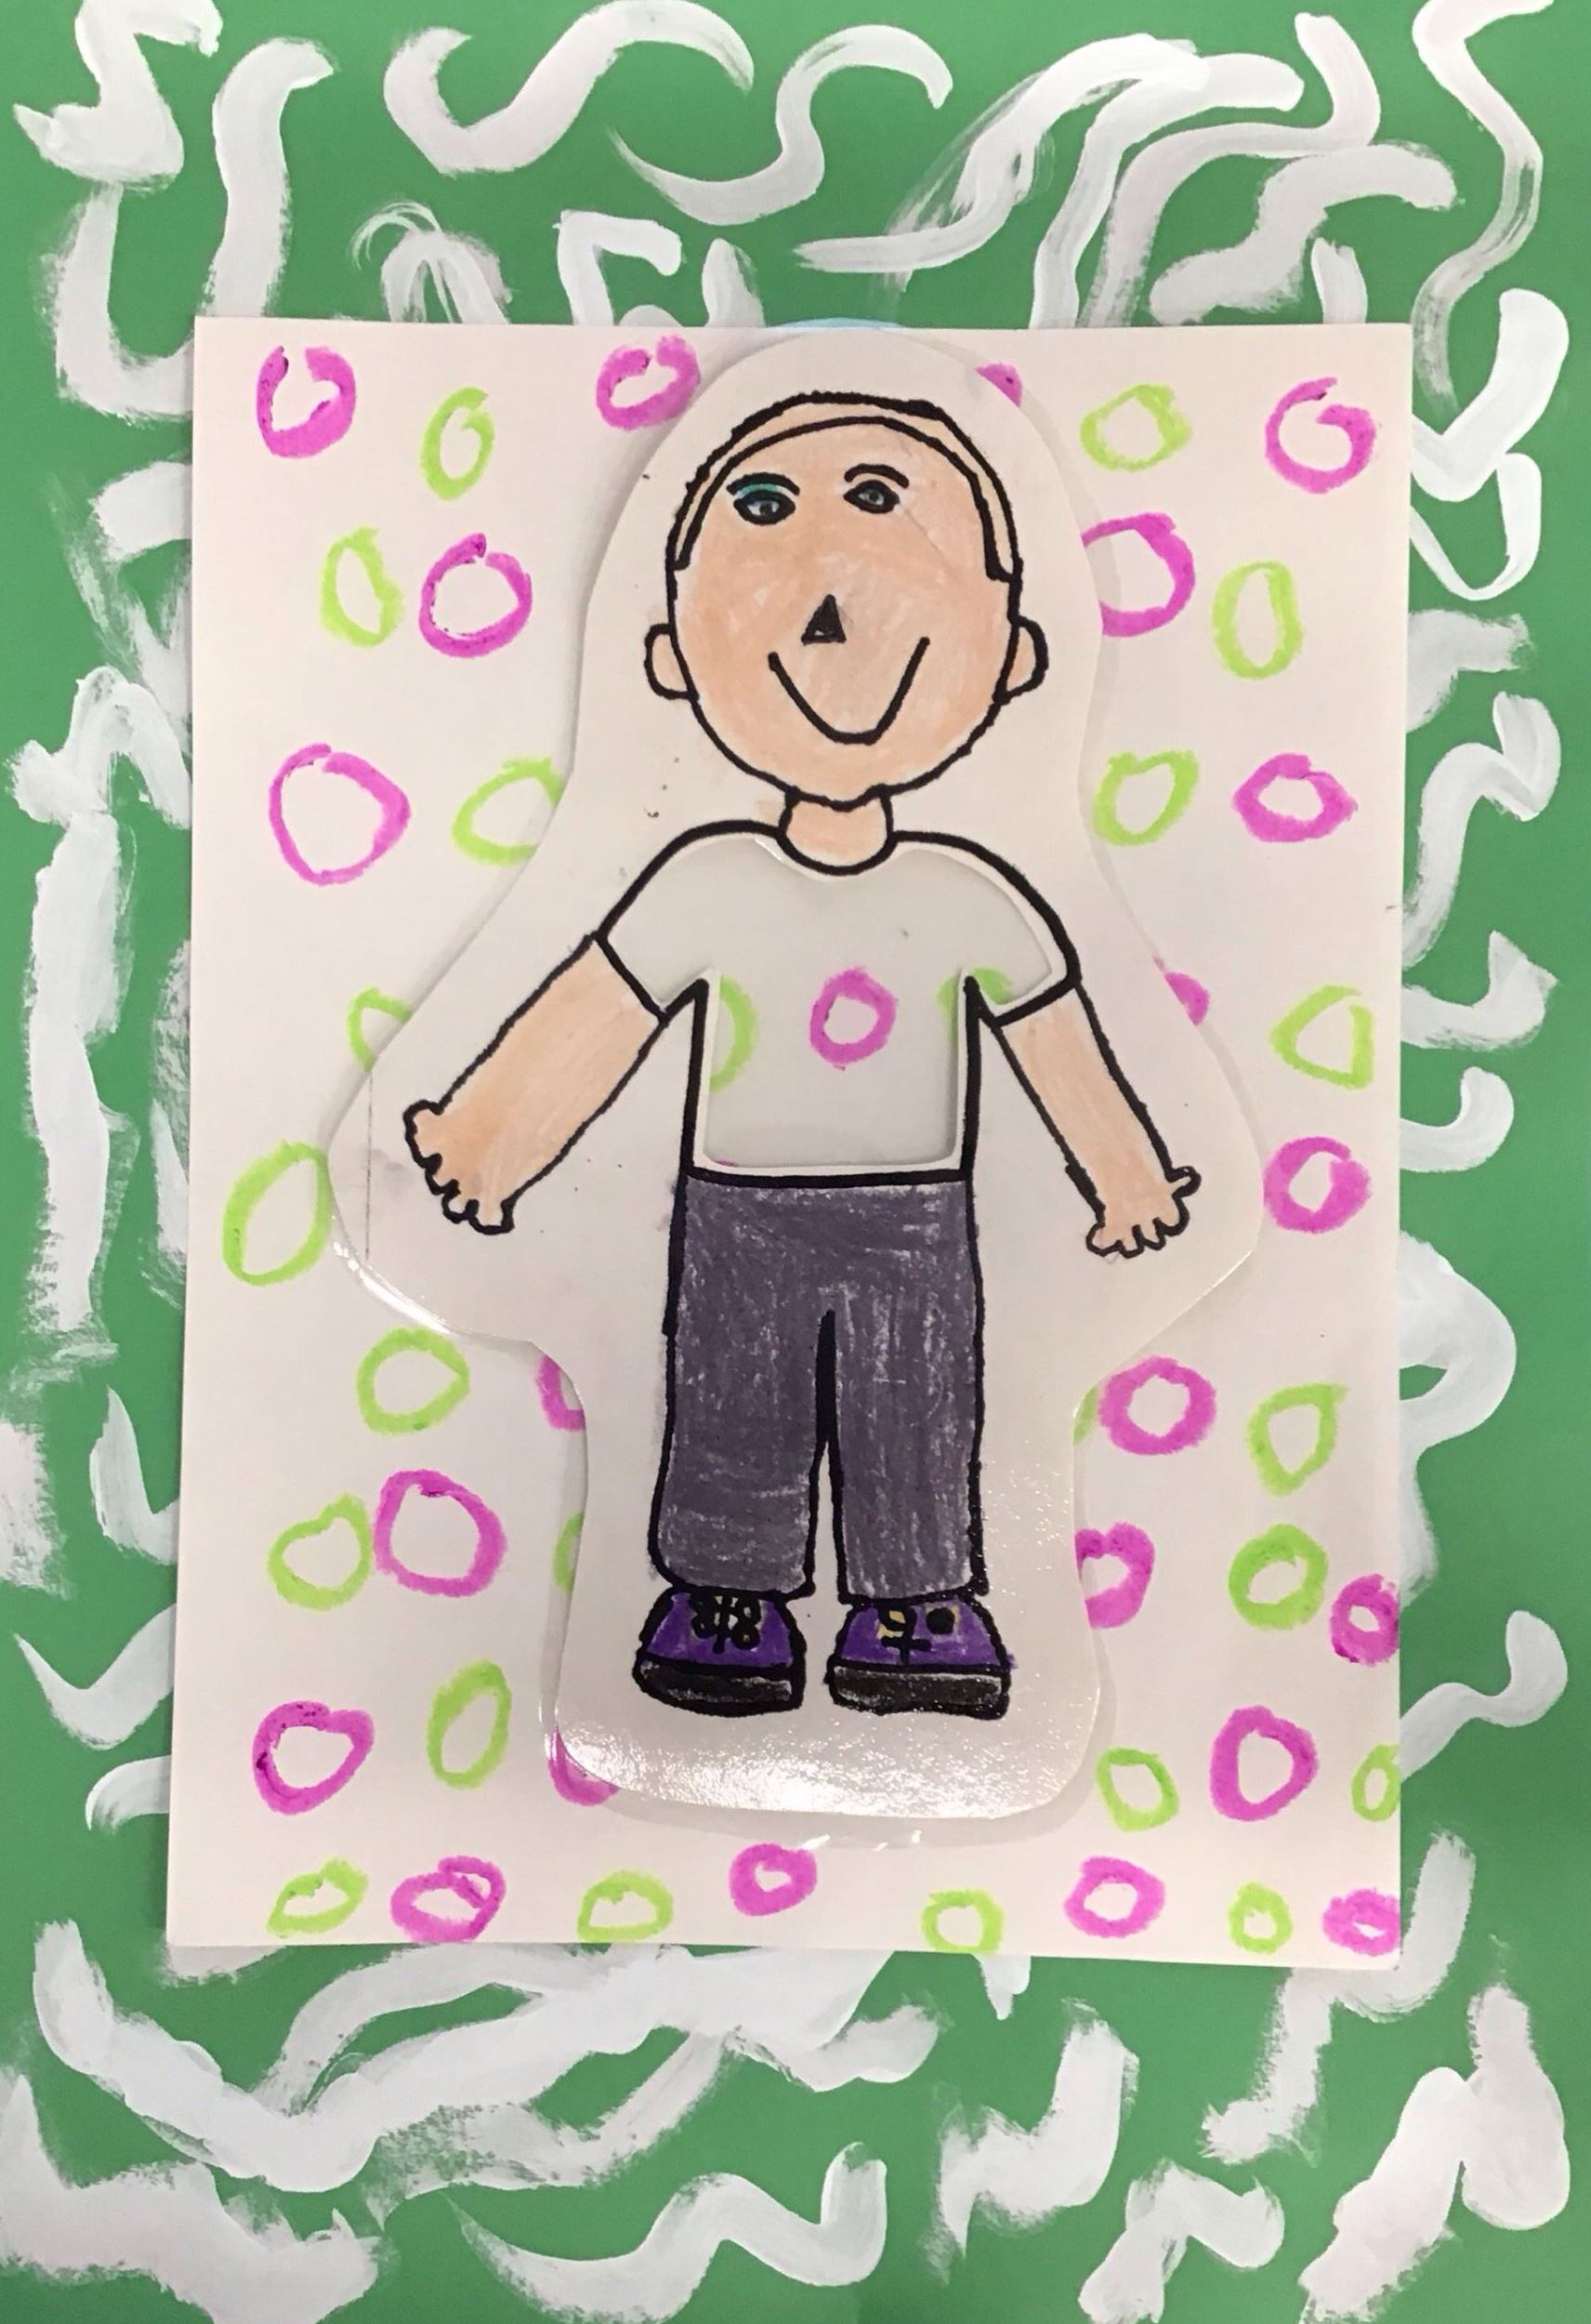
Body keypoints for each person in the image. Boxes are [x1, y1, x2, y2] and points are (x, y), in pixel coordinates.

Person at [405, 388, 1198, 1722]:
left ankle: (918, 1600)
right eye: (764, 513)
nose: (831, 609)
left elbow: (1056, 1043)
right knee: (733, 1407)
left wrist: (1126, 1178)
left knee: (915, 1406)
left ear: (1012, 656)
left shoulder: (973, 898)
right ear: (674, 655)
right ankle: (726, 1595)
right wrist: (488, 1137)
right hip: (738, 1214)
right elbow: (594, 1018)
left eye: (883, 505)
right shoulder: (701, 879)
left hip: (914, 1218)